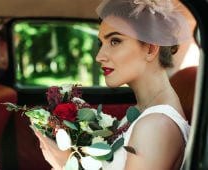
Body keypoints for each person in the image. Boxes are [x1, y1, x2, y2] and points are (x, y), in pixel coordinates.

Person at [33, 0, 192, 170]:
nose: (99, 56)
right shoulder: (142, 112)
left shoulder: (156, 126)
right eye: (101, 43)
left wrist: (65, 164)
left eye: (115, 41)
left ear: (151, 49)